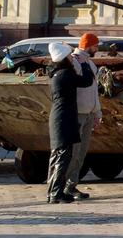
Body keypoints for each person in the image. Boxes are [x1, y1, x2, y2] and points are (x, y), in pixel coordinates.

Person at [44, 41, 90, 205]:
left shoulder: (56, 73)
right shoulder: (65, 74)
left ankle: (52, 193)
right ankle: (56, 194)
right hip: (64, 119)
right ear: (64, 58)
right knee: (63, 157)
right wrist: (84, 65)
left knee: (57, 156)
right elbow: (86, 81)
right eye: (69, 56)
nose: (72, 58)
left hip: (59, 118)